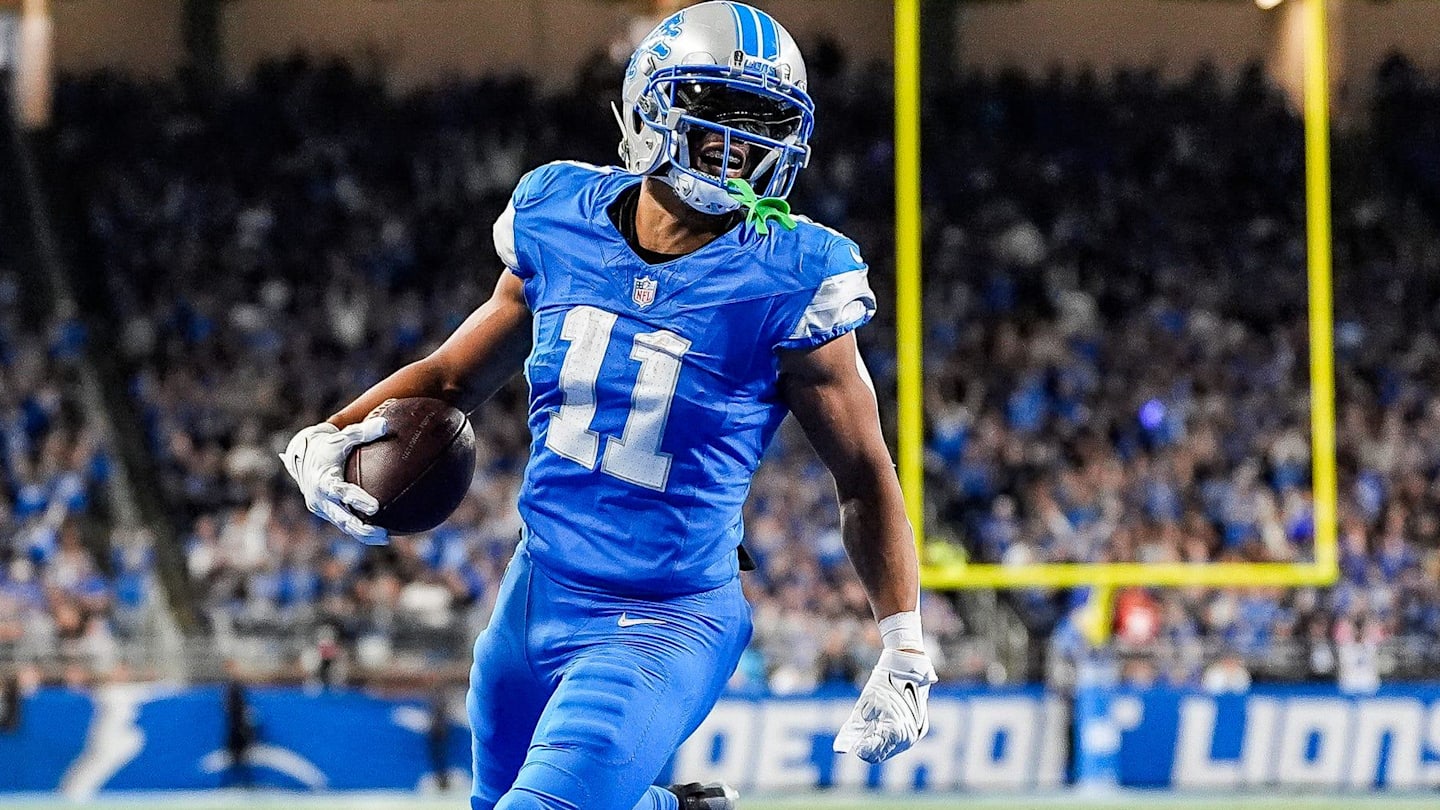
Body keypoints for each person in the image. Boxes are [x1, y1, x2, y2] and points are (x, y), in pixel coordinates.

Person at [281, 4, 935, 808]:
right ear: (653, 108)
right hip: (534, 591)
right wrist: (329, 434)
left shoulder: (792, 275)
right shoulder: (560, 216)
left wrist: (903, 646)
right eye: (719, 123)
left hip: (666, 619)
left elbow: (866, 475)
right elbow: (451, 378)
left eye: (763, 128)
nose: (743, 152)